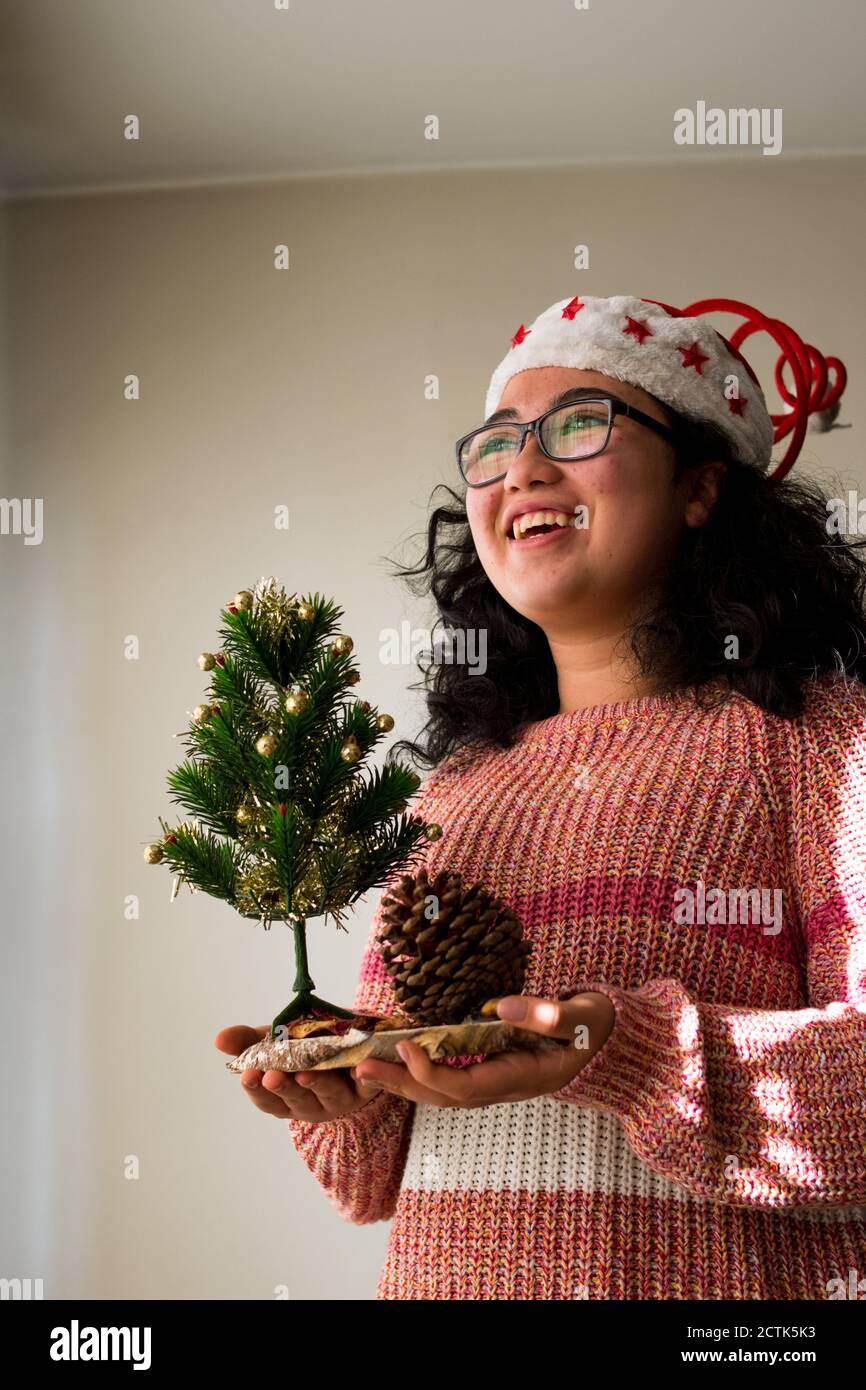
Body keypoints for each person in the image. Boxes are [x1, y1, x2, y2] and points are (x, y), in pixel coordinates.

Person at [216, 293, 866, 1300]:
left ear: (698, 487)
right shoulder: (454, 791)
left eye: (577, 425)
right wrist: (346, 1095)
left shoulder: (818, 744)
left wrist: (621, 1048)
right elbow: (372, 1179)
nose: (521, 467)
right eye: (496, 444)